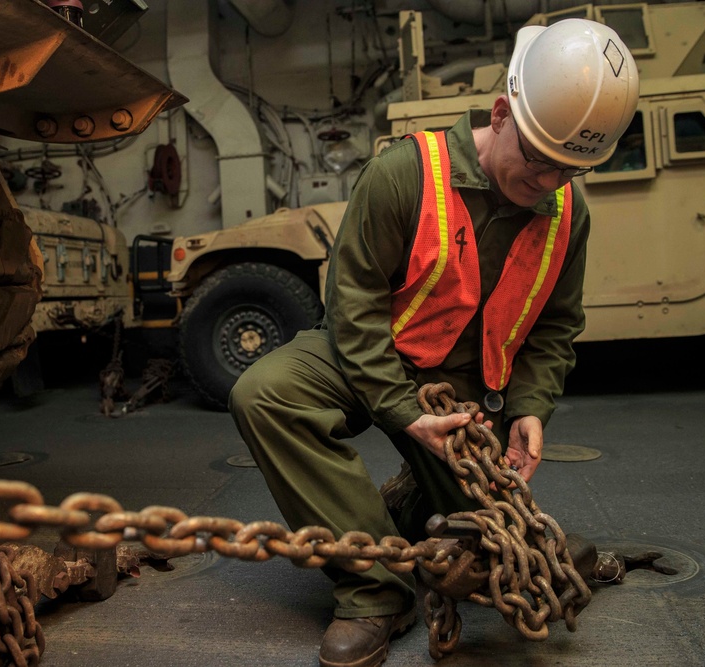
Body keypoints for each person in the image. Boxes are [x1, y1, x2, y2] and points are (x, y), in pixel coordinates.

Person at [228, 18, 639, 667]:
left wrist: (530, 407)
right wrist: (405, 411)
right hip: (365, 354)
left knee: (503, 566)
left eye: (568, 170)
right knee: (267, 392)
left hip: (463, 390)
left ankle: (413, 503)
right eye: (538, 159)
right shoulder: (403, 176)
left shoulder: (567, 213)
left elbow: (555, 325)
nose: (547, 182)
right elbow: (353, 307)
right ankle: (374, 588)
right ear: (502, 113)